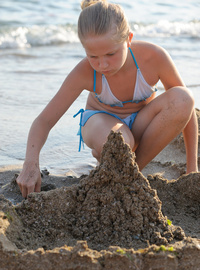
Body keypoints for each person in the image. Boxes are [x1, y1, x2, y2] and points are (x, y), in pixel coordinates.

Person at [17, 0, 198, 198]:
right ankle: (116, 165)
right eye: (92, 56)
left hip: (141, 123)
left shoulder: (153, 57)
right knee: (118, 140)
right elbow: (44, 121)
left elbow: (187, 109)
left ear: (128, 39)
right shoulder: (84, 72)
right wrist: (30, 164)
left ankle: (129, 172)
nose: (102, 64)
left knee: (183, 97)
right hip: (101, 123)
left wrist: (192, 169)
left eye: (111, 54)